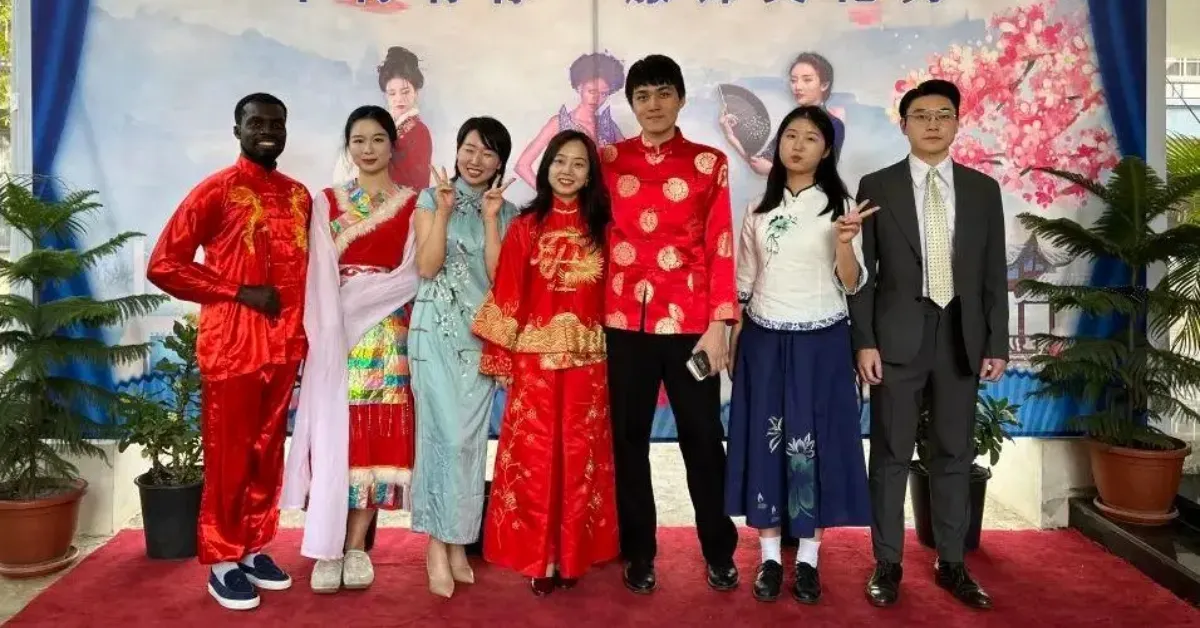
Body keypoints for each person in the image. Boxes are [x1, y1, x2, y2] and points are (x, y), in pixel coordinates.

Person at [146, 93, 310, 611]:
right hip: (234, 346)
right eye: (255, 123)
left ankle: (254, 547)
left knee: (266, 455)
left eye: (275, 123)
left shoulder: (299, 196)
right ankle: (221, 560)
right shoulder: (216, 191)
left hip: (284, 347)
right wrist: (237, 291)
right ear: (236, 129)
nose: (267, 130)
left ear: (286, 130)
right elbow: (164, 264)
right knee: (229, 457)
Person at [848, 79, 1007, 610]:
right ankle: (887, 562)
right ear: (905, 125)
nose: (933, 123)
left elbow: (992, 274)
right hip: (896, 338)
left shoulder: (984, 190)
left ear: (958, 122)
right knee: (891, 452)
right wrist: (863, 341)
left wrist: (997, 343)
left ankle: (952, 563)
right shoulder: (878, 184)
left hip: (961, 337)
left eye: (943, 114)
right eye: (921, 115)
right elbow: (865, 275)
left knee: (954, 452)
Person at [601, 54, 740, 595]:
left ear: (681, 98)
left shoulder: (709, 163)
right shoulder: (607, 160)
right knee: (627, 440)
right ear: (631, 104)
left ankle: (719, 551)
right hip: (622, 324)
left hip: (691, 327)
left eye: (663, 93)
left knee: (703, 439)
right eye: (642, 96)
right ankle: (638, 552)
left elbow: (721, 244)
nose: (653, 105)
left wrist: (721, 322)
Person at [724, 106, 875, 604]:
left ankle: (808, 562)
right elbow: (743, 282)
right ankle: (769, 558)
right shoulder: (756, 208)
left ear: (826, 149)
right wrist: (731, 337)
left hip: (823, 341)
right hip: (764, 340)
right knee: (766, 443)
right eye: (791, 135)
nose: (798, 145)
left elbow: (851, 283)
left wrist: (848, 242)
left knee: (815, 445)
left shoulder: (842, 207)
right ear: (779, 144)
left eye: (811, 138)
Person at [281, 105, 423, 594]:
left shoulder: (414, 203)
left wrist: (369, 301)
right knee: (333, 436)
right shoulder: (325, 202)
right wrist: (327, 325)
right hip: (334, 328)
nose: (368, 149)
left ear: (392, 146)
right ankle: (328, 546)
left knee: (373, 436)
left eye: (377, 139)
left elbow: (412, 272)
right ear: (348, 146)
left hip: (388, 332)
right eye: (358, 140)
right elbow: (316, 272)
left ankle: (358, 546)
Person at [472, 129, 620, 596]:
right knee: (535, 458)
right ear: (546, 166)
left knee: (580, 458)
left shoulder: (605, 229)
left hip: (588, 362)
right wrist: (503, 357)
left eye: (579, 163)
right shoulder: (526, 225)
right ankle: (541, 559)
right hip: (534, 364)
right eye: (560, 161)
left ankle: (572, 556)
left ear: (591, 174)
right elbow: (507, 287)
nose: (568, 171)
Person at [408, 117, 519, 598]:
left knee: (470, 445)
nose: (475, 160)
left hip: (479, 339)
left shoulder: (508, 211)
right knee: (442, 439)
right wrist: (448, 213)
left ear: (500, 163)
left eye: (488, 153)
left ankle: (457, 543)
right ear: (457, 151)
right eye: (469, 149)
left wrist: (491, 218)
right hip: (434, 334)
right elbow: (428, 265)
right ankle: (436, 544)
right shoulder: (431, 199)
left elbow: (500, 280)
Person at [720, 51, 846, 176]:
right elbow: (761, 163)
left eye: (807, 80)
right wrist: (731, 136)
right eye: (793, 80)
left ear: (824, 85)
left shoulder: (833, 123)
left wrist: (773, 171)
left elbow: (824, 173)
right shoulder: (791, 122)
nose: (798, 87)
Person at [514, 52, 626, 189]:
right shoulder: (559, 123)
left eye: (603, 94)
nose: (596, 99)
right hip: (570, 201)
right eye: (591, 91)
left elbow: (629, 161)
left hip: (604, 202)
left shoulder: (609, 125)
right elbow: (522, 165)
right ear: (579, 87)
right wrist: (548, 196)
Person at [333, 46, 433, 190]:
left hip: (398, 206)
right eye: (392, 93)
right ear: (386, 95)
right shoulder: (377, 123)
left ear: (416, 92)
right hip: (365, 202)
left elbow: (416, 186)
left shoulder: (419, 132)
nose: (399, 99)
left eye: (405, 92)